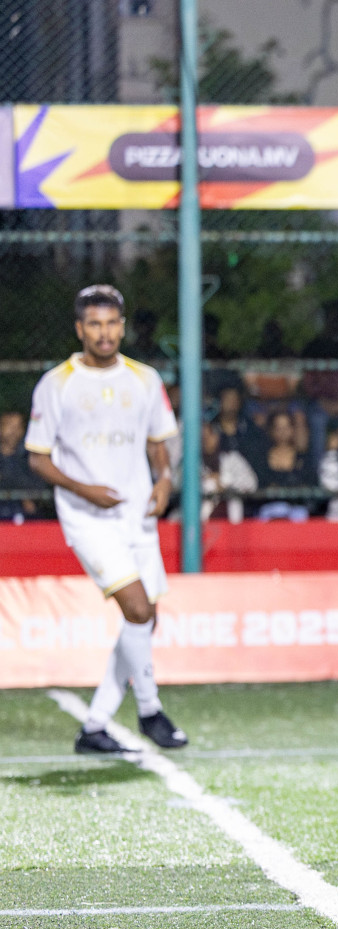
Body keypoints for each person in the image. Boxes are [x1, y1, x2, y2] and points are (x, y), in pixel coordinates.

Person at [24, 285, 189, 753]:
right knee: (137, 609)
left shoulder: (145, 378)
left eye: (112, 323)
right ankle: (150, 711)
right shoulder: (57, 383)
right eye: (95, 324)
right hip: (87, 518)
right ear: (80, 329)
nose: (105, 332)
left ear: (122, 325)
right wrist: (85, 490)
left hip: (137, 512)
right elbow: (37, 457)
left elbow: (159, 440)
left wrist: (163, 481)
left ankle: (95, 726)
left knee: (145, 619)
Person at [251, 411, 312, 522]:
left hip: (296, 510)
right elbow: (257, 486)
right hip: (268, 509)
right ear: (271, 431)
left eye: (286, 427)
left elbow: (310, 485)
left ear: (293, 429)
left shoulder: (303, 459)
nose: (283, 432)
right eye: (278, 428)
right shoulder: (262, 459)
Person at [199, 420, 257, 522]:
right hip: (202, 522)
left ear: (217, 436)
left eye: (209, 435)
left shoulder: (232, 458)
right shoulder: (192, 463)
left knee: (233, 495)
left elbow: (252, 483)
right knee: (209, 485)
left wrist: (223, 481)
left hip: (231, 521)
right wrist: (210, 482)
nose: (206, 440)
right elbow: (178, 484)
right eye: (202, 437)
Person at [0, 409, 44, 521]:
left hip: (25, 519)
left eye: (17, 427)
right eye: (9, 425)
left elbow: (39, 490)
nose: (13, 431)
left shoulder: (30, 459)